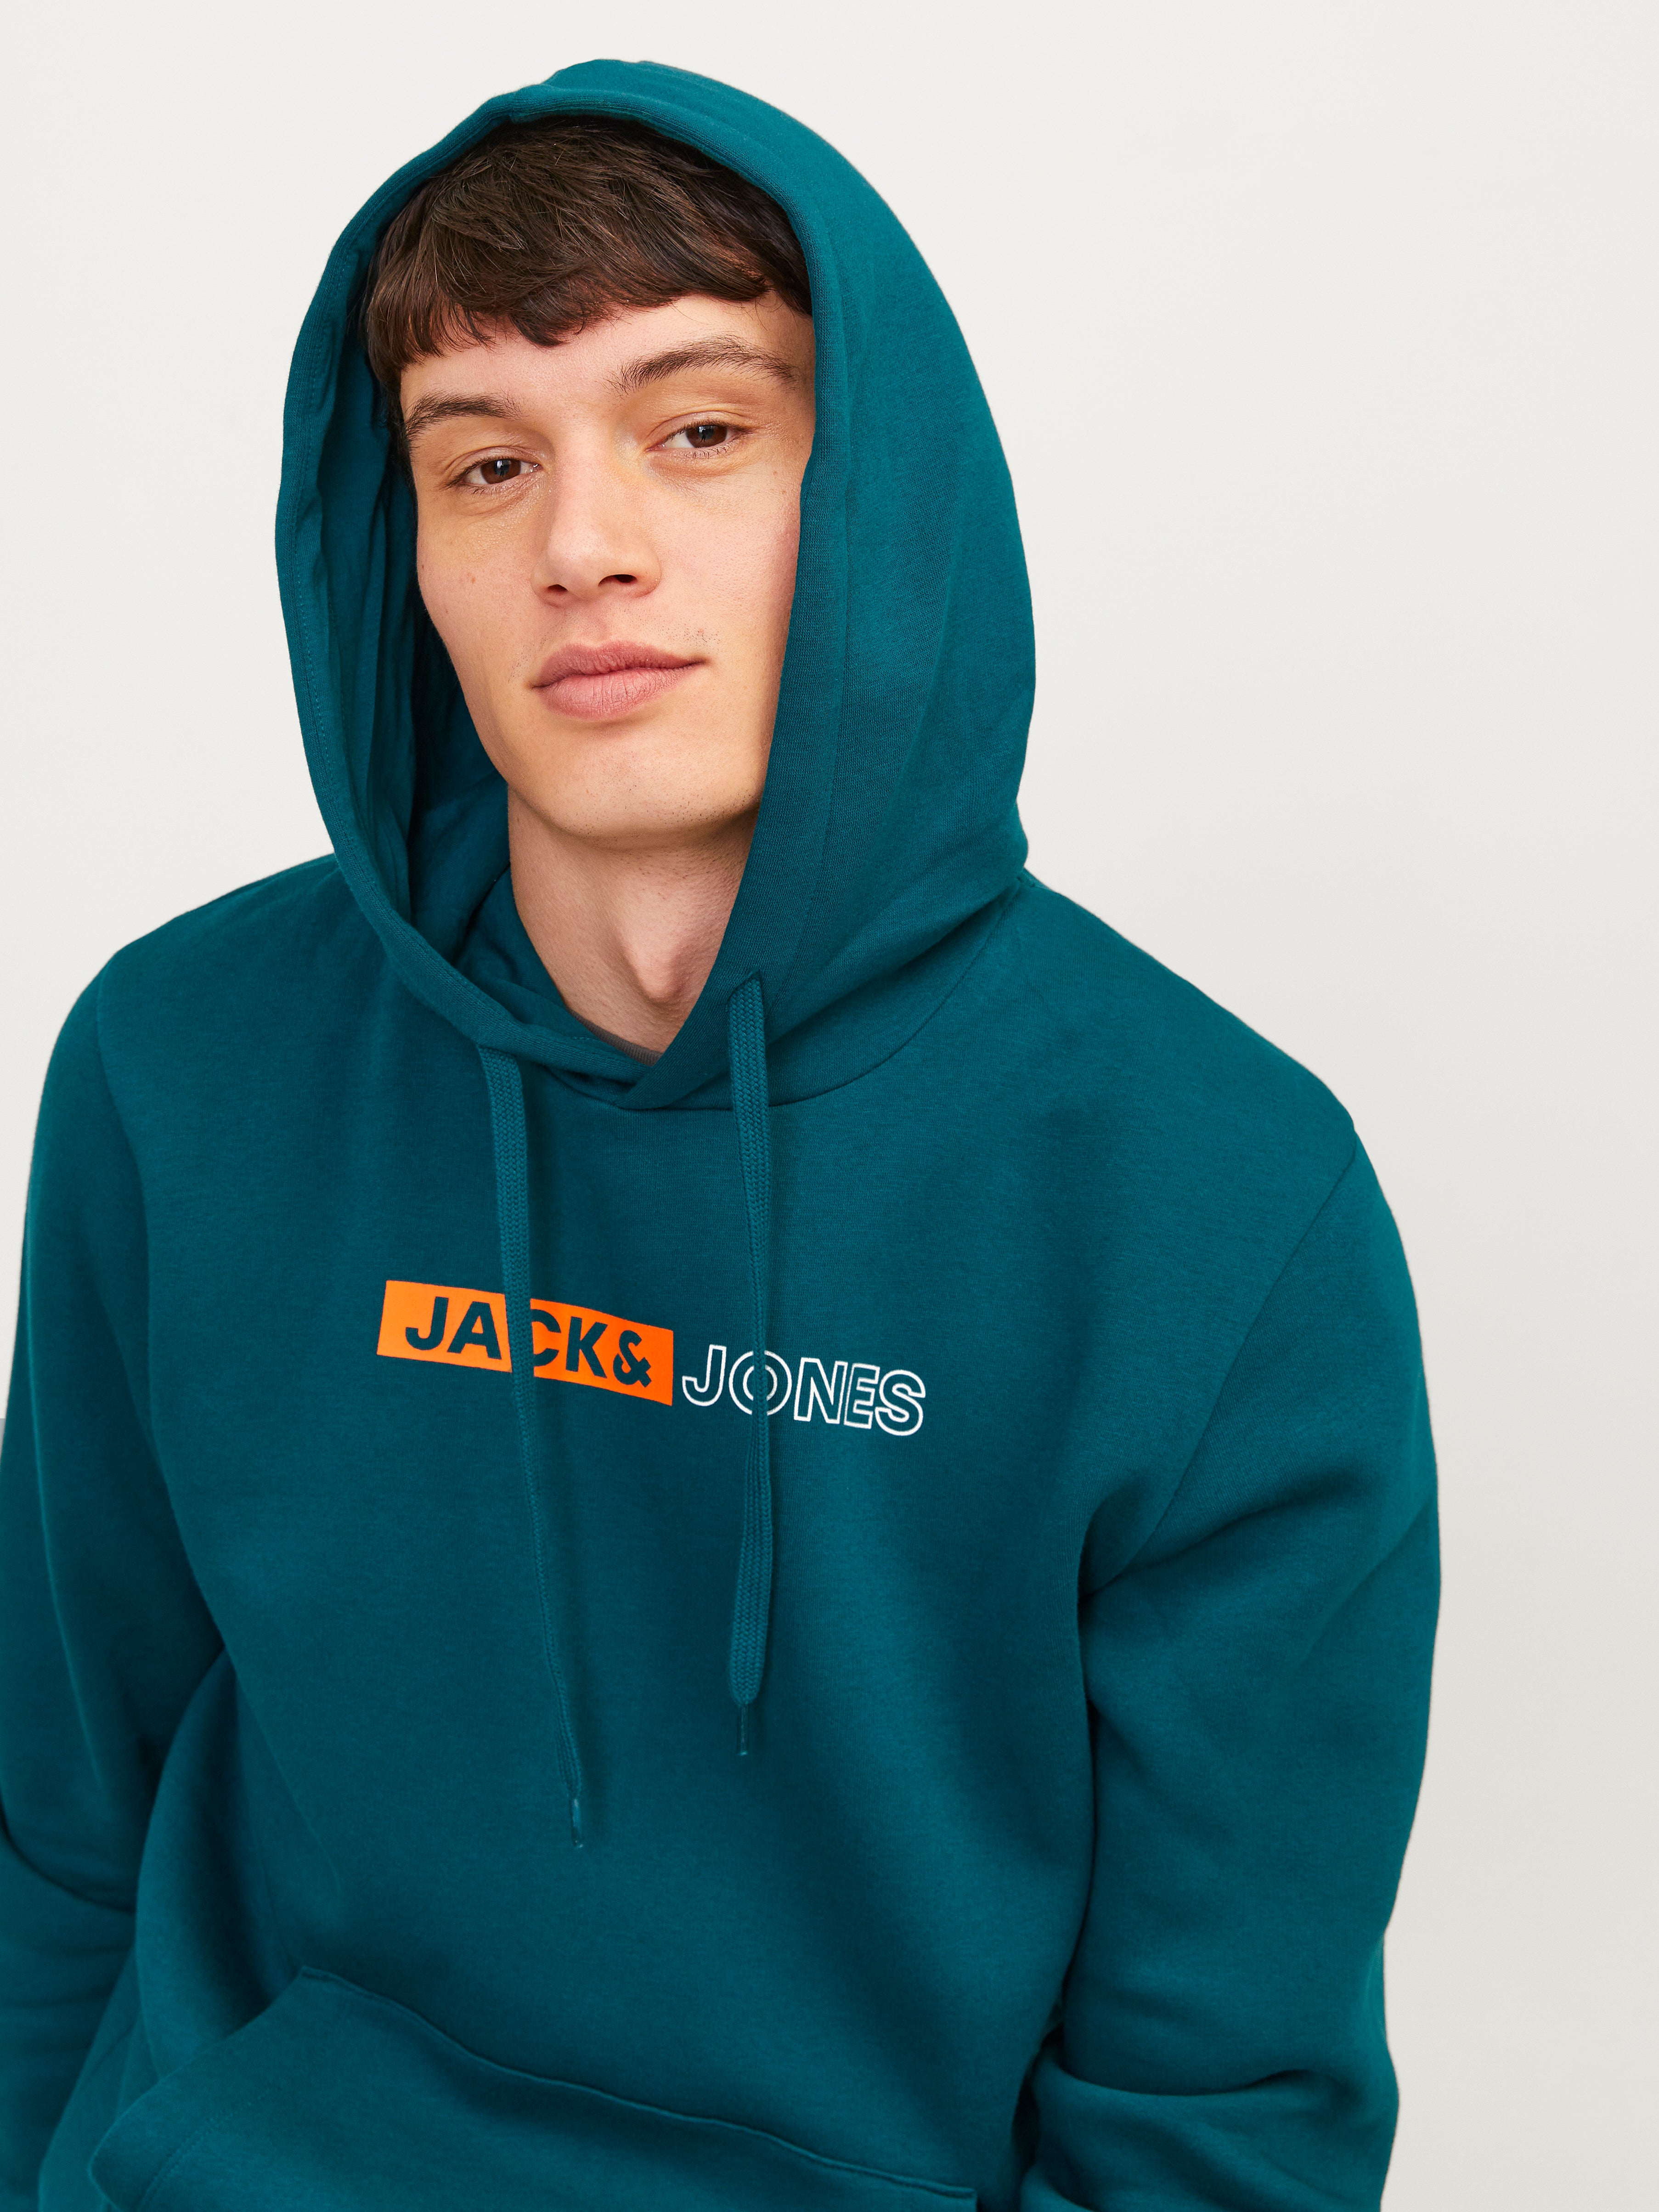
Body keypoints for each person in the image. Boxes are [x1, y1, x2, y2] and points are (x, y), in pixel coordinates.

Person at [0, 59, 1438, 2212]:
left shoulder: (1218, 1201)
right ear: (405, 550)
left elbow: (1216, 2115)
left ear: (877, 497)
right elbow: (56, 1831)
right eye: (485, 462)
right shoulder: (179, 1066)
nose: (582, 547)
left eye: (697, 430)